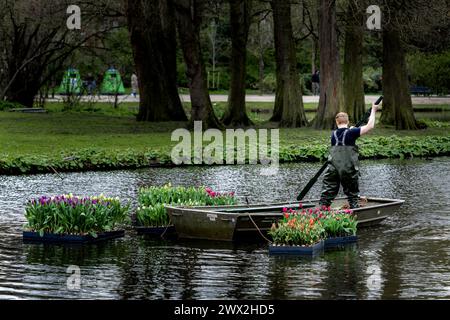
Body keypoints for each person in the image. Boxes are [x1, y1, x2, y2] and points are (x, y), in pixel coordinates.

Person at [319, 102, 380, 209]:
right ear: (347, 121)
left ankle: (322, 210)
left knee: (327, 193)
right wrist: (373, 111)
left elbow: (342, 137)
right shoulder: (352, 132)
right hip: (348, 168)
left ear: (336, 122)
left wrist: (351, 130)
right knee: (352, 194)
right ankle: (355, 210)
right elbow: (370, 126)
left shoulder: (333, 134)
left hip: (333, 168)